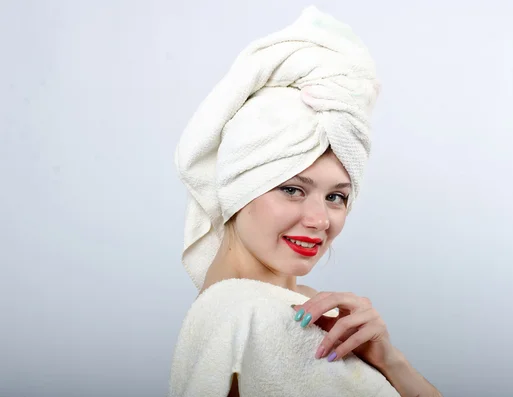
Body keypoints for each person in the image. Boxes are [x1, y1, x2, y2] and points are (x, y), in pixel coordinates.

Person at [168, 6, 442, 397]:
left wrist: (389, 360)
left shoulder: (302, 310)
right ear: (239, 186)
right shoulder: (250, 317)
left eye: (336, 197)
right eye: (292, 189)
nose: (319, 220)